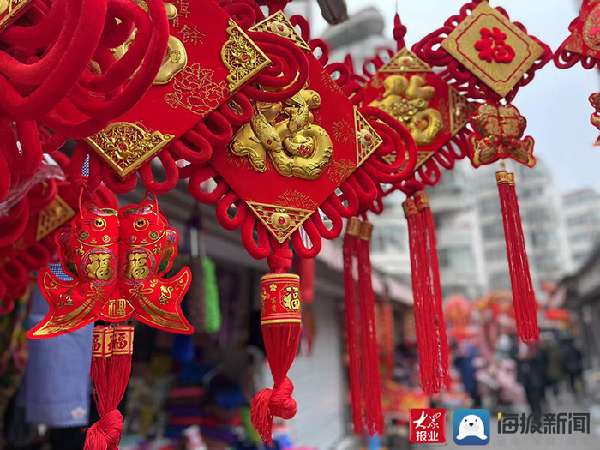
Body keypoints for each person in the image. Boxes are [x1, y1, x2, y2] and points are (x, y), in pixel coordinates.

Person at [516, 341, 547, 422]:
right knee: (530, 399)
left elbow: (543, 364)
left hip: (535, 381)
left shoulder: (538, 352)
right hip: (526, 381)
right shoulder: (520, 349)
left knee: (535, 399)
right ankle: (534, 415)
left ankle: (537, 417)